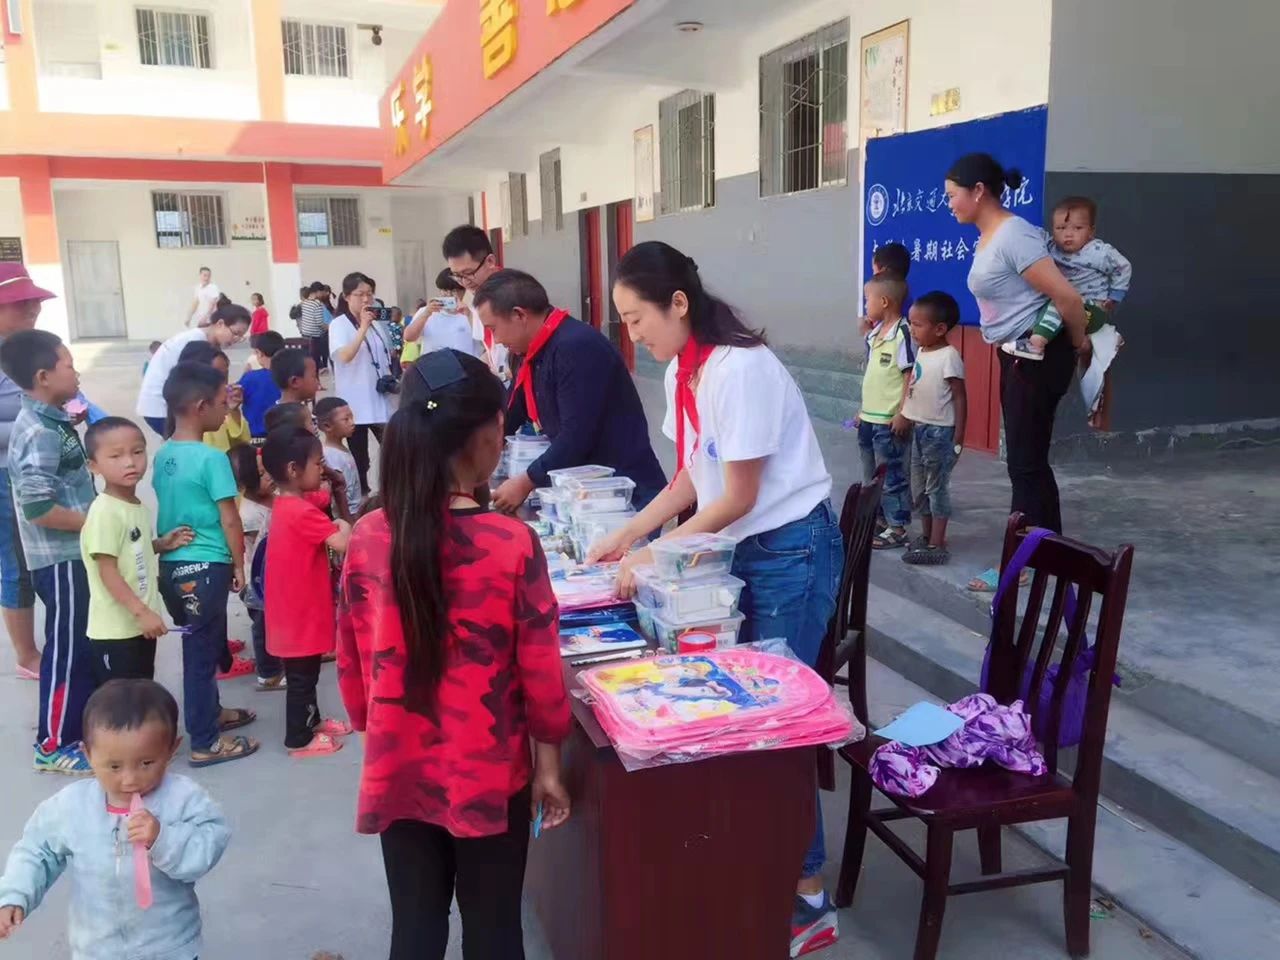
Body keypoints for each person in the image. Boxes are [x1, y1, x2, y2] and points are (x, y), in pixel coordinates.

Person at [585, 241, 844, 958]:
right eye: (624, 322)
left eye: (637, 319)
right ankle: (753, 862)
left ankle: (807, 895)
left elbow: (737, 496)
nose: (633, 335)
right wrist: (628, 532)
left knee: (778, 725)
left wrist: (653, 553)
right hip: (744, 548)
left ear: (678, 303)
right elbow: (692, 480)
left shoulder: (740, 369)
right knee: (736, 710)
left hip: (790, 551)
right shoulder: (685, 369)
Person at [337, 349, 571, 959]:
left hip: (398, 768)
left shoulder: (369, 536)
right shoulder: (511, 542)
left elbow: (353, 658)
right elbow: (541, 672)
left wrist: (373, 727)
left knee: (414, 928)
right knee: (494, 929)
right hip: (489, 774)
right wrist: (548, 767)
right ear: (489, 434)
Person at [0, 680, 231, 958]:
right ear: (87, 754)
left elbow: (209, 843)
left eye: (146, 763)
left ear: (171, 749)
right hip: (97, 948)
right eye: (114, 766)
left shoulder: (183, 799)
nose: (130, 779)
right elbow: (38, 850)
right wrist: (15, 895)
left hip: (169, 945)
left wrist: (163, 839)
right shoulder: (72, 806)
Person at [947, 153, 1086, 558]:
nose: (949, 204)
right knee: (1028, 462)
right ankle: (1044, 557)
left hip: (1036, 353)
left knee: (1025, 463)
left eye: (953, 195)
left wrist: (1077, 345)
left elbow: (1068, 298)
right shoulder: (991, 236)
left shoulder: (1013, 235)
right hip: (1017, 354)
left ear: (978, 191)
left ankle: (1022, 562)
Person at [475, 269, 667, 513]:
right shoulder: (535, 350)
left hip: (622, 493)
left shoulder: (576, 347)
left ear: (519, 315)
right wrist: (478, 454)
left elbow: (576, 435)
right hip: (585, 492)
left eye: (493, 329)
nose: (496, 339)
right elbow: (511, 411)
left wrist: (526, 481)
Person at [1, 330, 99, 775]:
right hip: (61, 559)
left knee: (83, 646)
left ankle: (80, 729)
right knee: (66, 652)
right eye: (69, 365)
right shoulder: (40, 432)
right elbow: (38, 507)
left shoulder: (54, 420)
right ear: (43, 376)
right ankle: (53, 742)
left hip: (75, 554)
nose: (76, 372)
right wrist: (98, 524)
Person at [152, 362, 259, 767]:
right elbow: (229, 518)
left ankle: (210, 713)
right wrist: (239, 564)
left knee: (202, 644)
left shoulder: (163, 455)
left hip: (172, 568)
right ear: (200, 407)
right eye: (220, 402)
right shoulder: (212, 459)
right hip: (208, 565)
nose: (224, 409)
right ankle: (205, 741)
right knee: (200, 654)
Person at [262, 426, 352, 758]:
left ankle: (312, 721)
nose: (322, 468)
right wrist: (344, 525)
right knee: (301, 679)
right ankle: (298, 739)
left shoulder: (290, 503)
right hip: (298, 612)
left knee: (307, 673)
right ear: (293, 470)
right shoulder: (300, 512)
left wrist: (331, 480)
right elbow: (342, 543)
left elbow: (322, 496)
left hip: (295, 610)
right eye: (317, 463)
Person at [81, 418, 193, 682]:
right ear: (93, 466)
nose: (130, 462)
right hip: (116, 631)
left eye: (137, 452)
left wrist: (159, 545)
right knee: (124, 700)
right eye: (116, 456)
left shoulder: (134, 505)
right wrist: (142, 613)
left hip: (139, 625)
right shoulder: (105, 512)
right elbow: (107, 571)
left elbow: (128, 552)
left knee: (142, 692)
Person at [1002, 195, 1132, 361]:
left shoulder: (1098, 252)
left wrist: (1115, 295)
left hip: (1092, 309)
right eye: (1061, 228)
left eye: (1077, 228)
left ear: (1091, 231)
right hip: (1069, 307)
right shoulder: (1052, 247)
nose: (1068, 234)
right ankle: (1106, 339)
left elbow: (1123, 266)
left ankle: (1036, 345)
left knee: (1061, 303)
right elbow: (1031, 232)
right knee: (1049, 306)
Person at [0, 263, 49, 681]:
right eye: (21, 304)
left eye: (34, 301)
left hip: (35, 467)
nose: (33, 309)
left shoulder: (27, 349)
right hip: (5, 476)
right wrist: (36, 420)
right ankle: (26, 654)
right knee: (16, 563)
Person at [900, 293, 967, 566]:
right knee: (919, 487)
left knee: (936, 487)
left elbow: (960, 397)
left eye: (917, 325)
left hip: (939, 432)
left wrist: (959, 437)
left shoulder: (949, 356)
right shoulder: (922, 351)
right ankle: (926, 536)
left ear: (940, 328)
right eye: (911, 323)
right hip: (919, 428)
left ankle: (937, 543)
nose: (912, 330)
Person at [854, 273, 915, 549]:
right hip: (869, 418)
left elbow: (909, 375)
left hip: (888, 420)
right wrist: (862, 410)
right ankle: (878, 520)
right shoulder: (874, 334)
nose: (866, 305)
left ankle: (897, 527)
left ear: (885, 301)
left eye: (868, 299)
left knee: (892, 475)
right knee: (871, 474)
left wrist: (903, 412)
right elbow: (872, 376)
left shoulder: (902, 333)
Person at [137, 304, 251, 436]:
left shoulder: (204, 340)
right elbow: (195, 384)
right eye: (235, 333)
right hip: (161, 408)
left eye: (241, 337)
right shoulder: (195, 342)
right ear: (220, 324)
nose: (236, 339)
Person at [328, 272, 394, 493]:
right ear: (347, 297)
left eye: (370, 294)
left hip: (379, 399)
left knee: (393, 450)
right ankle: (362, 496)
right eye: (360, 294)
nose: (366, 299)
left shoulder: (376, 324)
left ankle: (390, 491)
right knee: (360, 458)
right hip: (354, 402)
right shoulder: (339, 325)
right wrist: (363, 327)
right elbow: (344, 356)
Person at [228, 445, 284, 692]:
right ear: (245, 483)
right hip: (258, 581)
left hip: (275, 574)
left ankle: (279, 660)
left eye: (267, 470)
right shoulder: (249, 514)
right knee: (263, 626)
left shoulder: (274, 496)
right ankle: (268, 673)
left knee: (276, 623)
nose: (269, 477)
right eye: (261, 475)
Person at [442, 225, 510, 380]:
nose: (465, 282)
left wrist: (502, 376)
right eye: (457, 276)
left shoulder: (511, 293)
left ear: (490, 261)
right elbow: (490, 350)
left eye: (468, 273)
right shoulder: (478, 297)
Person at [177, 342, 249, 453]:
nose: (224, 384)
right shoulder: (193, 413)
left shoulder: (220, 407)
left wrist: (233, 411)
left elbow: (242, 443)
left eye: (225, 376)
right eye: (217, 377)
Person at [404, 269, 479, 361]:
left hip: (466, 366)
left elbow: (484, 340)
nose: (449, 294)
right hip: (434, 366)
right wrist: (426, 314)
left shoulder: (473, 312)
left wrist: (469, 315)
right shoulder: (426, 311)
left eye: (454, 291)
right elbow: (408, 337)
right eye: (444, 290)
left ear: (463, 291)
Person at [316, 397, 362, 518]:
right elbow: (339, 493)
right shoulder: (331, 456)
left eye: (351, 417)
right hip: (348, 515)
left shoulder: (340, 449)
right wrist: (348, 519)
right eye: (346, 419)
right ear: (327, 426)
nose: (352, 423)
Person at [240, 331, 285, 439]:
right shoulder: (288, 377)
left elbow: (235, 395)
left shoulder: (249, 378)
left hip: (253, 434)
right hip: (282, 433)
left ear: (259, 353)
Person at [297, 282, 329, 375]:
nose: (322, 295)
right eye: (322, 292)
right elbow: (319, 323)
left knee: (307, 359)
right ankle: (322, 369)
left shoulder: (304, 303)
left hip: (304, 335)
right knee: (316, 358)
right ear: (318, 292)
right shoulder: (317, 304)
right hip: (315, 337)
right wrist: (329, 328)